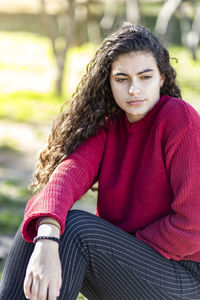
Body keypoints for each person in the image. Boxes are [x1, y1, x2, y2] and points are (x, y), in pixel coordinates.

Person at [1, 22, 200, 300]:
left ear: (162, 78)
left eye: (145, 77)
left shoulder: (180, 119)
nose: (134, 89)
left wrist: (120, 247)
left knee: (76, 230)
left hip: (184, 278)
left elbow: (192, 227)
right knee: (41, 222)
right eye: (122, 79)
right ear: (108, 81)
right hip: (131, 265)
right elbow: (65, 179)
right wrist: (46, 236)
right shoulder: (109, 127)